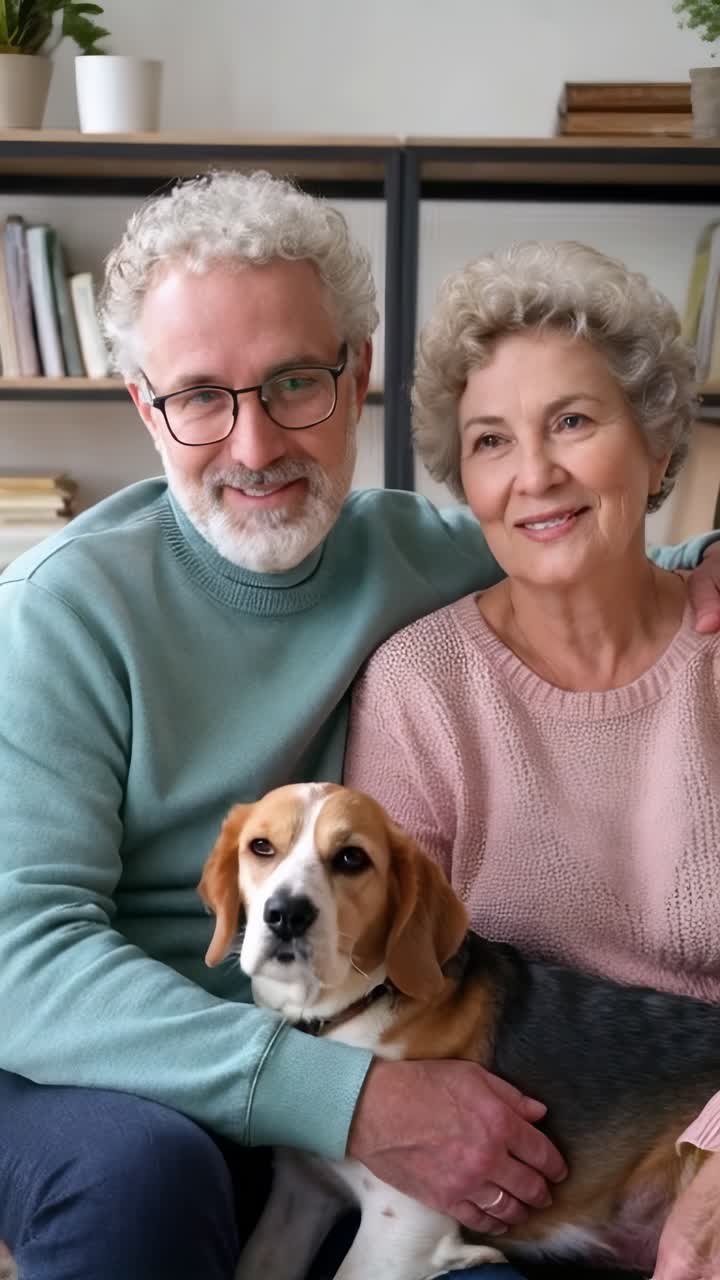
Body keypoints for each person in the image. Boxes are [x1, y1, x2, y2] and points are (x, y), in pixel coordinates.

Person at [0, 182, 715, 1280]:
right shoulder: (58, 608)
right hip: (81, 1059)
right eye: (200, 395)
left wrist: (703, 559)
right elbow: (21, 959)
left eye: (294, 382)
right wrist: (344, 1095)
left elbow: (581, 548)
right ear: (145, 406)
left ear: (356, 375)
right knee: (141, 1173)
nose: (255, 444)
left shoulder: (418, 554)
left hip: (328, 1039)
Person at [344, 239, 720, 1280]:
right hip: (507, 1202)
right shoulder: (422, 685)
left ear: (654, 440)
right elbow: (364, 966)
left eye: (572, 421)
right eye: (491, 441)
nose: (535, 474)